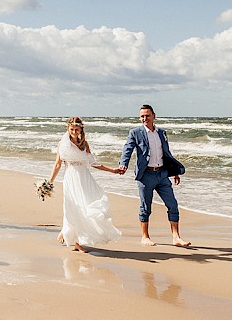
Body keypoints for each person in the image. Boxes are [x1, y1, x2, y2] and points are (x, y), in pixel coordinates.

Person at [118, 104, 190, 247]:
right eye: (142, 116)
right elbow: (128, 149)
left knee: (173, 205)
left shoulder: (162, 132)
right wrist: (123, 163)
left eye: (147, 115)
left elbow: (167, 153)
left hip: (162, 174)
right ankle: (145, 237)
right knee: (146, 207)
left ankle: (176, 237)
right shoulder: (135, 132)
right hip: (146, 175)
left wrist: (174, 171)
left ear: (153, 116)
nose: (145, 118)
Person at [47, 117, 122, 253]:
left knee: (88, 206)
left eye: (77, 129)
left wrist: (113, 170)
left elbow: (93, 164)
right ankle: (75, 241)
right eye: (72, 129)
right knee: (74, 208)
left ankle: (72, 235)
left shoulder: (84, 144)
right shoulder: (62, 144)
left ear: (81, 129)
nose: (74, 132)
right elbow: (58, 164)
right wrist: (49, 182)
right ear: (67, 129)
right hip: (72, 179)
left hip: (85, 179)